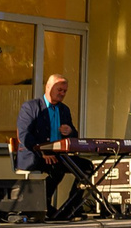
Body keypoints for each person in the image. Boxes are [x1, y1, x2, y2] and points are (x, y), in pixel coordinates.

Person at [13, 73, 83, 220]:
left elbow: (74, 137)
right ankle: (43, 204)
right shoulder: (30, 107)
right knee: (57, 168)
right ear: (49, 87)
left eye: (65, 91)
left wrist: (70, 132)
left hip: (59, 155)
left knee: (87, 168)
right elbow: (24, 134)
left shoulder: (64, 110)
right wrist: (42, 150)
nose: (62, 94)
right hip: (34, 154)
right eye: (60, 90)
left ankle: (71, 207)